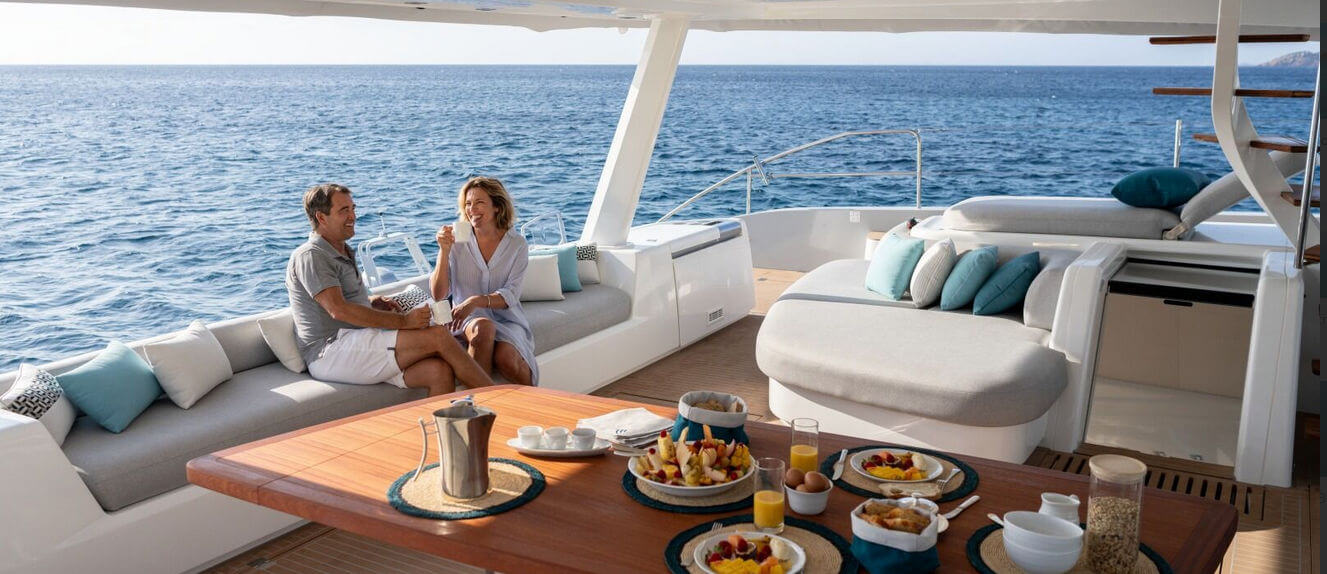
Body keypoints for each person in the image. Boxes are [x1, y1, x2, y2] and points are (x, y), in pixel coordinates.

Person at [286, 183, 492, 396]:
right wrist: (404, 322)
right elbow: (339, 310)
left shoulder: (341, 249)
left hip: (358, 340)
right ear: (321, 217)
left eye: (353, 208)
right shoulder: (312, 255)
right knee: (438, 336)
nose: (353, 216)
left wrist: (372, 301)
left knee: (438, 372)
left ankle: (448, 427)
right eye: (344, 211)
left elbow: (346, 301)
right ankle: (498, 400)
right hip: (330, 351)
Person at [430, 177, 537, 386]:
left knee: (507, 359)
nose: (472, 209)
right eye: (468, 204)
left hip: (508, 319)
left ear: (497, 207)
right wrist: (444, 251)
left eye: (479, 203)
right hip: (467, 320)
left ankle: (534, 405)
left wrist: (475, 301)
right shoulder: (457, 242)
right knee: (483, 327)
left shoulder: (517, 244)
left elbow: (511, 295)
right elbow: (438, 294)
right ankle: (480, 409)